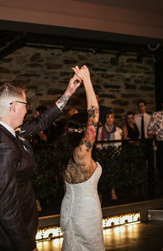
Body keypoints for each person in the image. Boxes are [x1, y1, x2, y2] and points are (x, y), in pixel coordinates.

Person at [0, 66, 80, 251]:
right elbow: (6, 208)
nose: (27, 109)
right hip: (14, 230)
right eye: (25, 104)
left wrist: (68, 92)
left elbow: (41, 122)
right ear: (14, 106)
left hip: (11, 221)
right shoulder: (3, 146)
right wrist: (27, 246)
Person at [52, 65, 104, 250]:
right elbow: (94, 114)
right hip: (86, 213)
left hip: (67, 210)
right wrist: (87, 80)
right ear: (84, 131)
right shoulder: (82, 152)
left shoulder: (63, 152)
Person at [97, 111, 121, 200]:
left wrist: (115, 154)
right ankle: (100, 194)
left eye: (111, 117)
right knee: (101, 175)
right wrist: (101, 153)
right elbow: (98, 144)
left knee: (113, 174)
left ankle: (113, 192)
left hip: (113, 155)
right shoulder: (100, 130)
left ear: (114, 119)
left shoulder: (118, 130)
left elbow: (119, 145)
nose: (109, 119)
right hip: (104, 155)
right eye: (108, 117)